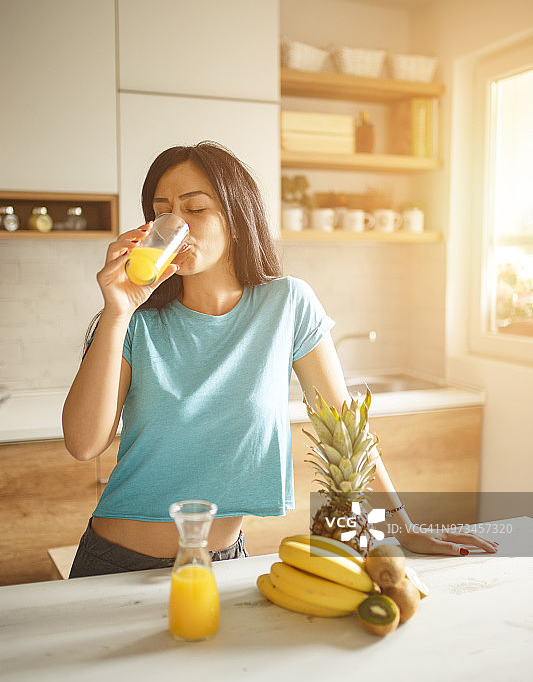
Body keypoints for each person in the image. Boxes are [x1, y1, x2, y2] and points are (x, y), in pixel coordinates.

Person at [63, 141, 498, 577]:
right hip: (116, 564)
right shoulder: (135, 319)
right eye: (163, 213)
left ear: (236, 220)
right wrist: (117, 309)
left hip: (224, 562)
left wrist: (401, 528)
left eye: (195, 209)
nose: (176, 225)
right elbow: (84, 444)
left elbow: (345, 428)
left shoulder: (287, 302)